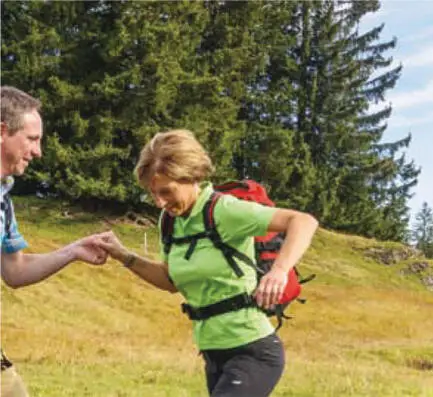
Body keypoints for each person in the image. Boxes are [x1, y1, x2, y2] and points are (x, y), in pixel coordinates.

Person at [96, 129, 318, 397]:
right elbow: (169, 281)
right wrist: (123, 255)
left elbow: (303, 221)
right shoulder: (170, 222)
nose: (159, 202)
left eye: (166, 191)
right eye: (152, 193)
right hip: (214, 354)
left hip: (252, 350)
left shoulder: (224, 210)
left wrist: (279, 271)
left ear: (190, 177)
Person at [1, 86, 110, 397]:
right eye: (32, 139)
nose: (38, 151)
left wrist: (73, 250)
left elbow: (15, 270)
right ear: (2, 132)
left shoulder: (4, 201)